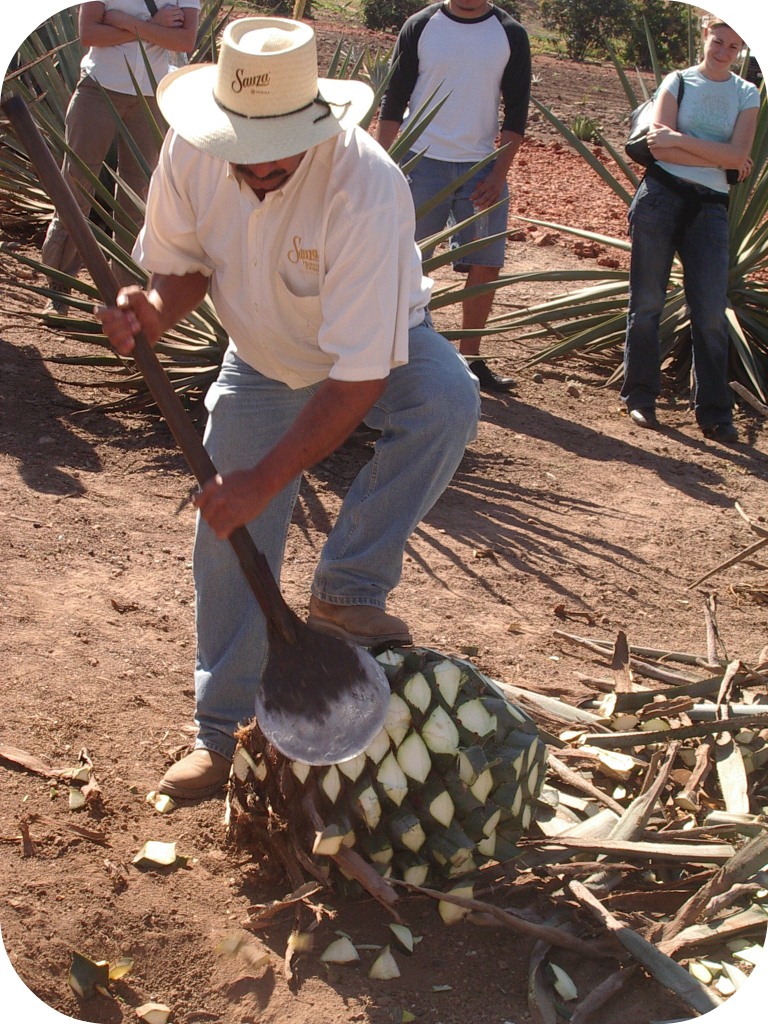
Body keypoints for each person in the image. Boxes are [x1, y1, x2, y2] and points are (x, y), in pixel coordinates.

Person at [95, 16, 481, 799]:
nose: (261, 162)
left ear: (314, 122)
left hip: (375, 349)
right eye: (245, 143)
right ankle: (222, 733)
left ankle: (348, 590)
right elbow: (185, 266)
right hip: (264, 356)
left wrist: (265, 478)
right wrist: (151, 312)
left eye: (278, 144)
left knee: (445, 399)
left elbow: (359, 378)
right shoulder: (192, 151)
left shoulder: (365, 186)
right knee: (227, 531)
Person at [376, 0, 531, 393]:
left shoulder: (510, 33)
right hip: (420, 163)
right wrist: (381, 163)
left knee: (486, 263)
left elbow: (517, 110)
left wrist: (499, 173)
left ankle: (471, 360)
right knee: (409, 262)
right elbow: (394, 97)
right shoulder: (420, 25)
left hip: (481, 167)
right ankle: (400, 355)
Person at [621, 16, 759, 443]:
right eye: (718, 41)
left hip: (711, 209)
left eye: (734, 46)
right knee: (646, 304)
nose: (724, 52)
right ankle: (640, 397)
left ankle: (715, 414)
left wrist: (683, 142)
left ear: (742, 49)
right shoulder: (678, 81)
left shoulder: (747, 93)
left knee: (712, 313)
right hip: (660, 198)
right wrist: (720, 156)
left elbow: (739, 155)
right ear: (705, 36)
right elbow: (658, 147)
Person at [41, 0, 200, 314]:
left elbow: (185, 41)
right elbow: (89, 34)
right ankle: (58, 289)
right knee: (76, 187)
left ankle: (123, 298)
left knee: (136, 200)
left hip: (151, 98)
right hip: (99, 88)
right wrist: (155, 27)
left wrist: (124, 22)